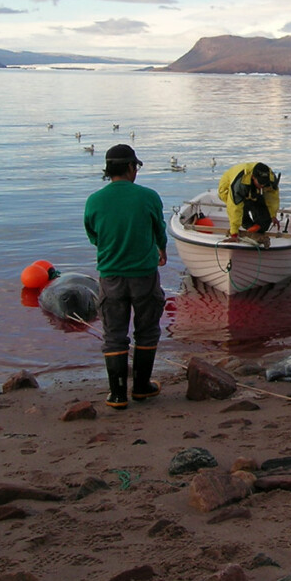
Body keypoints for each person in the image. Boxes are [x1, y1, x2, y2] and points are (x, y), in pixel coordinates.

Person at [84, 144, 168, 409]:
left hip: (111, 276)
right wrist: (162, 249)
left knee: (114, 334)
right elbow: (159, 229)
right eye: (136, 166)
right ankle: (141, 387)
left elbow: (93, 234)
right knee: (147, 330)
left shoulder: (94, 200)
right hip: (144, 274)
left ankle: (117, 394)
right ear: (131, 167)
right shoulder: (148, 197)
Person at [217, 161, 280, 238]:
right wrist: (234, 233)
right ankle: (247, 228)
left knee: (265, 221)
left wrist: (273, 215)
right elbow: (234, 207)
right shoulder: (239, 185)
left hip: (252, 191)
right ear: (253, 177)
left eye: (264, 183)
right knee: (240, 211)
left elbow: (272, 197)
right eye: (260, 183)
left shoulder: (271, 179)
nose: (262, 185)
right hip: (227, 189)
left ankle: (253, 230)